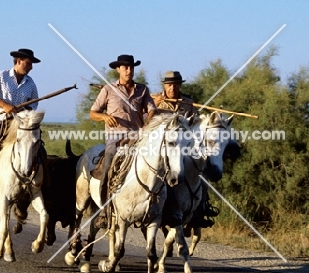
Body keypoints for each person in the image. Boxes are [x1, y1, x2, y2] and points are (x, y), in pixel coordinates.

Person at [90, 54, 157, 228]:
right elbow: (93, 112)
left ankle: (153, 208)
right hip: (115, 138)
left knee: (157, 164)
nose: (129, 70)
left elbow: (152, 109)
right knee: (108, 167)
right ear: (118, 69)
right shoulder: (108, 89)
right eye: (125, 67)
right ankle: (104, 212)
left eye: (131, 67)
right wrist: (104, 116)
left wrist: (148, 121)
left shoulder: (142, 89)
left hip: (137, 137)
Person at [152, 71, 218, 228]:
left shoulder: (188, 102)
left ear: (180, 85)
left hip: (184, 146)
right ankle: (151, 208)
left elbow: (196, 124)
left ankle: (200, 209)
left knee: (200, 171)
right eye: (169, 85)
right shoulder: (155, 101)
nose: (172, 88)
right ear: (164, 86)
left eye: (175, 85)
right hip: (162, 147)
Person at [0, 48, 41, 204]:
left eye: (31, 64)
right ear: (18, 61)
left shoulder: (30, 83)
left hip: (21, 124)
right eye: (28, 63)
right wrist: (4, 105)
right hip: (1, 121)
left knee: (39, 148)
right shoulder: (0, 76)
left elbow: (35, 104)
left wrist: (24, 110)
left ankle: (36, 184)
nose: (31, 67)